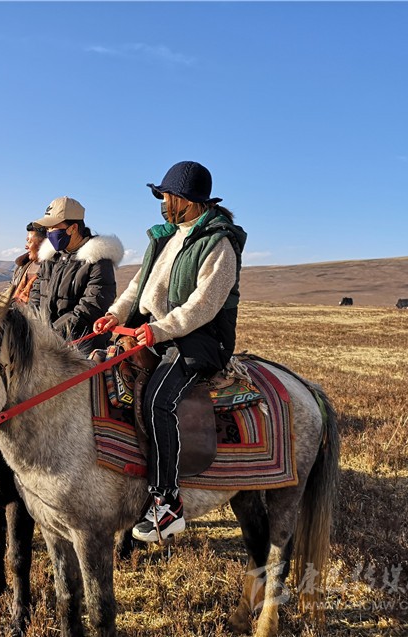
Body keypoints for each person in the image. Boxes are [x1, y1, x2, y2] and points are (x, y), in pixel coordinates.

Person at [94, 161, 247, 542]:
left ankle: (167, 503)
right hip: (156, 333)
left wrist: (157, 331)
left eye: (168, 197)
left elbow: (203, 306)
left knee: (159, 400)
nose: (163, 204)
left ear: (188, 200)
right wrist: (114, 315)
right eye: (162, 197)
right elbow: (138, 286)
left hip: (198, 340)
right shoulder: (165, 237)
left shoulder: (219, 243)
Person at [29, 196, 123, 354]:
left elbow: (91, 307)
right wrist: (35, 328)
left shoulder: (97, 260)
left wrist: (53, 334)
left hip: (81, 349)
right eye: (48, 228)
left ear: (72, 228)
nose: (49, 233)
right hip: (45, 346)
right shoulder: (51, 258)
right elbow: (36, 296)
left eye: (53, 227)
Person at [10, 222, 46, 304]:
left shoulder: (53, 269)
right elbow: (11, 287)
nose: (26, 246)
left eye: (29, 242)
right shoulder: (22, 267)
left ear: (43, 243)